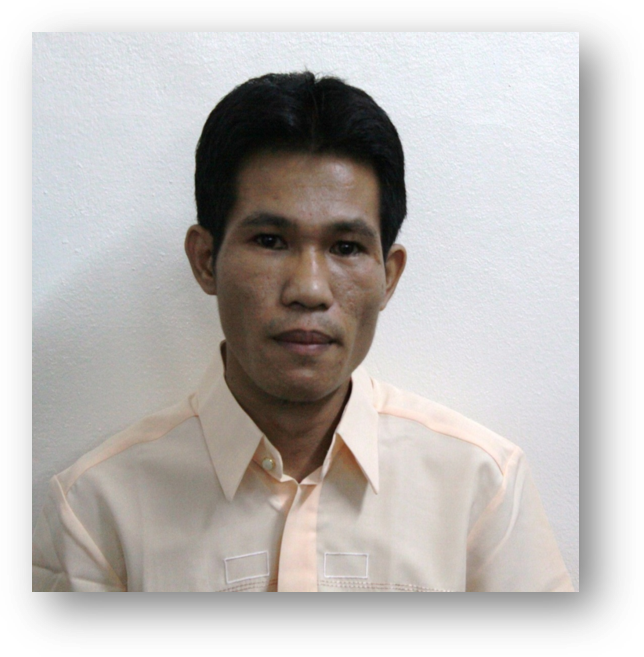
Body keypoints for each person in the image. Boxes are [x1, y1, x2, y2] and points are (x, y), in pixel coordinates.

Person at [32, 72, 573, 592]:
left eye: (346, 247)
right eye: (270, 240)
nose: (309, 289)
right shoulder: (96, 512)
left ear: (389, 276)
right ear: (205, 260)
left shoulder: (481, 488)